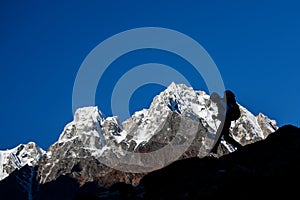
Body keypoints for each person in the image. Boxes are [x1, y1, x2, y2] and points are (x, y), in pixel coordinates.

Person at [210, 90, 242, 155]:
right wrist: (217, 117)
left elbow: (225, 112)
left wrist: (217, 117)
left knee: (219, 135)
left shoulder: (221, 102)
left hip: (226, 121)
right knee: (226, 137)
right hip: (227, 120)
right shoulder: (222, 102)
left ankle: (214, 150)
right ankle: (239, 146)